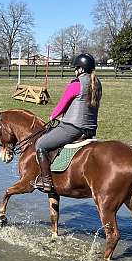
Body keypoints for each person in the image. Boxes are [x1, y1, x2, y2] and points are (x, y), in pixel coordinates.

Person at [34, 53, 102, 192]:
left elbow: (62, 104)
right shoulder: (97, 83)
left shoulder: (77, 84)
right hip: (90, 129)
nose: (74, 71)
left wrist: (53, 116)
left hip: (73, 128)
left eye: (75, 68)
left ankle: (46, 181)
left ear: (81, 69)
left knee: (40, 144)